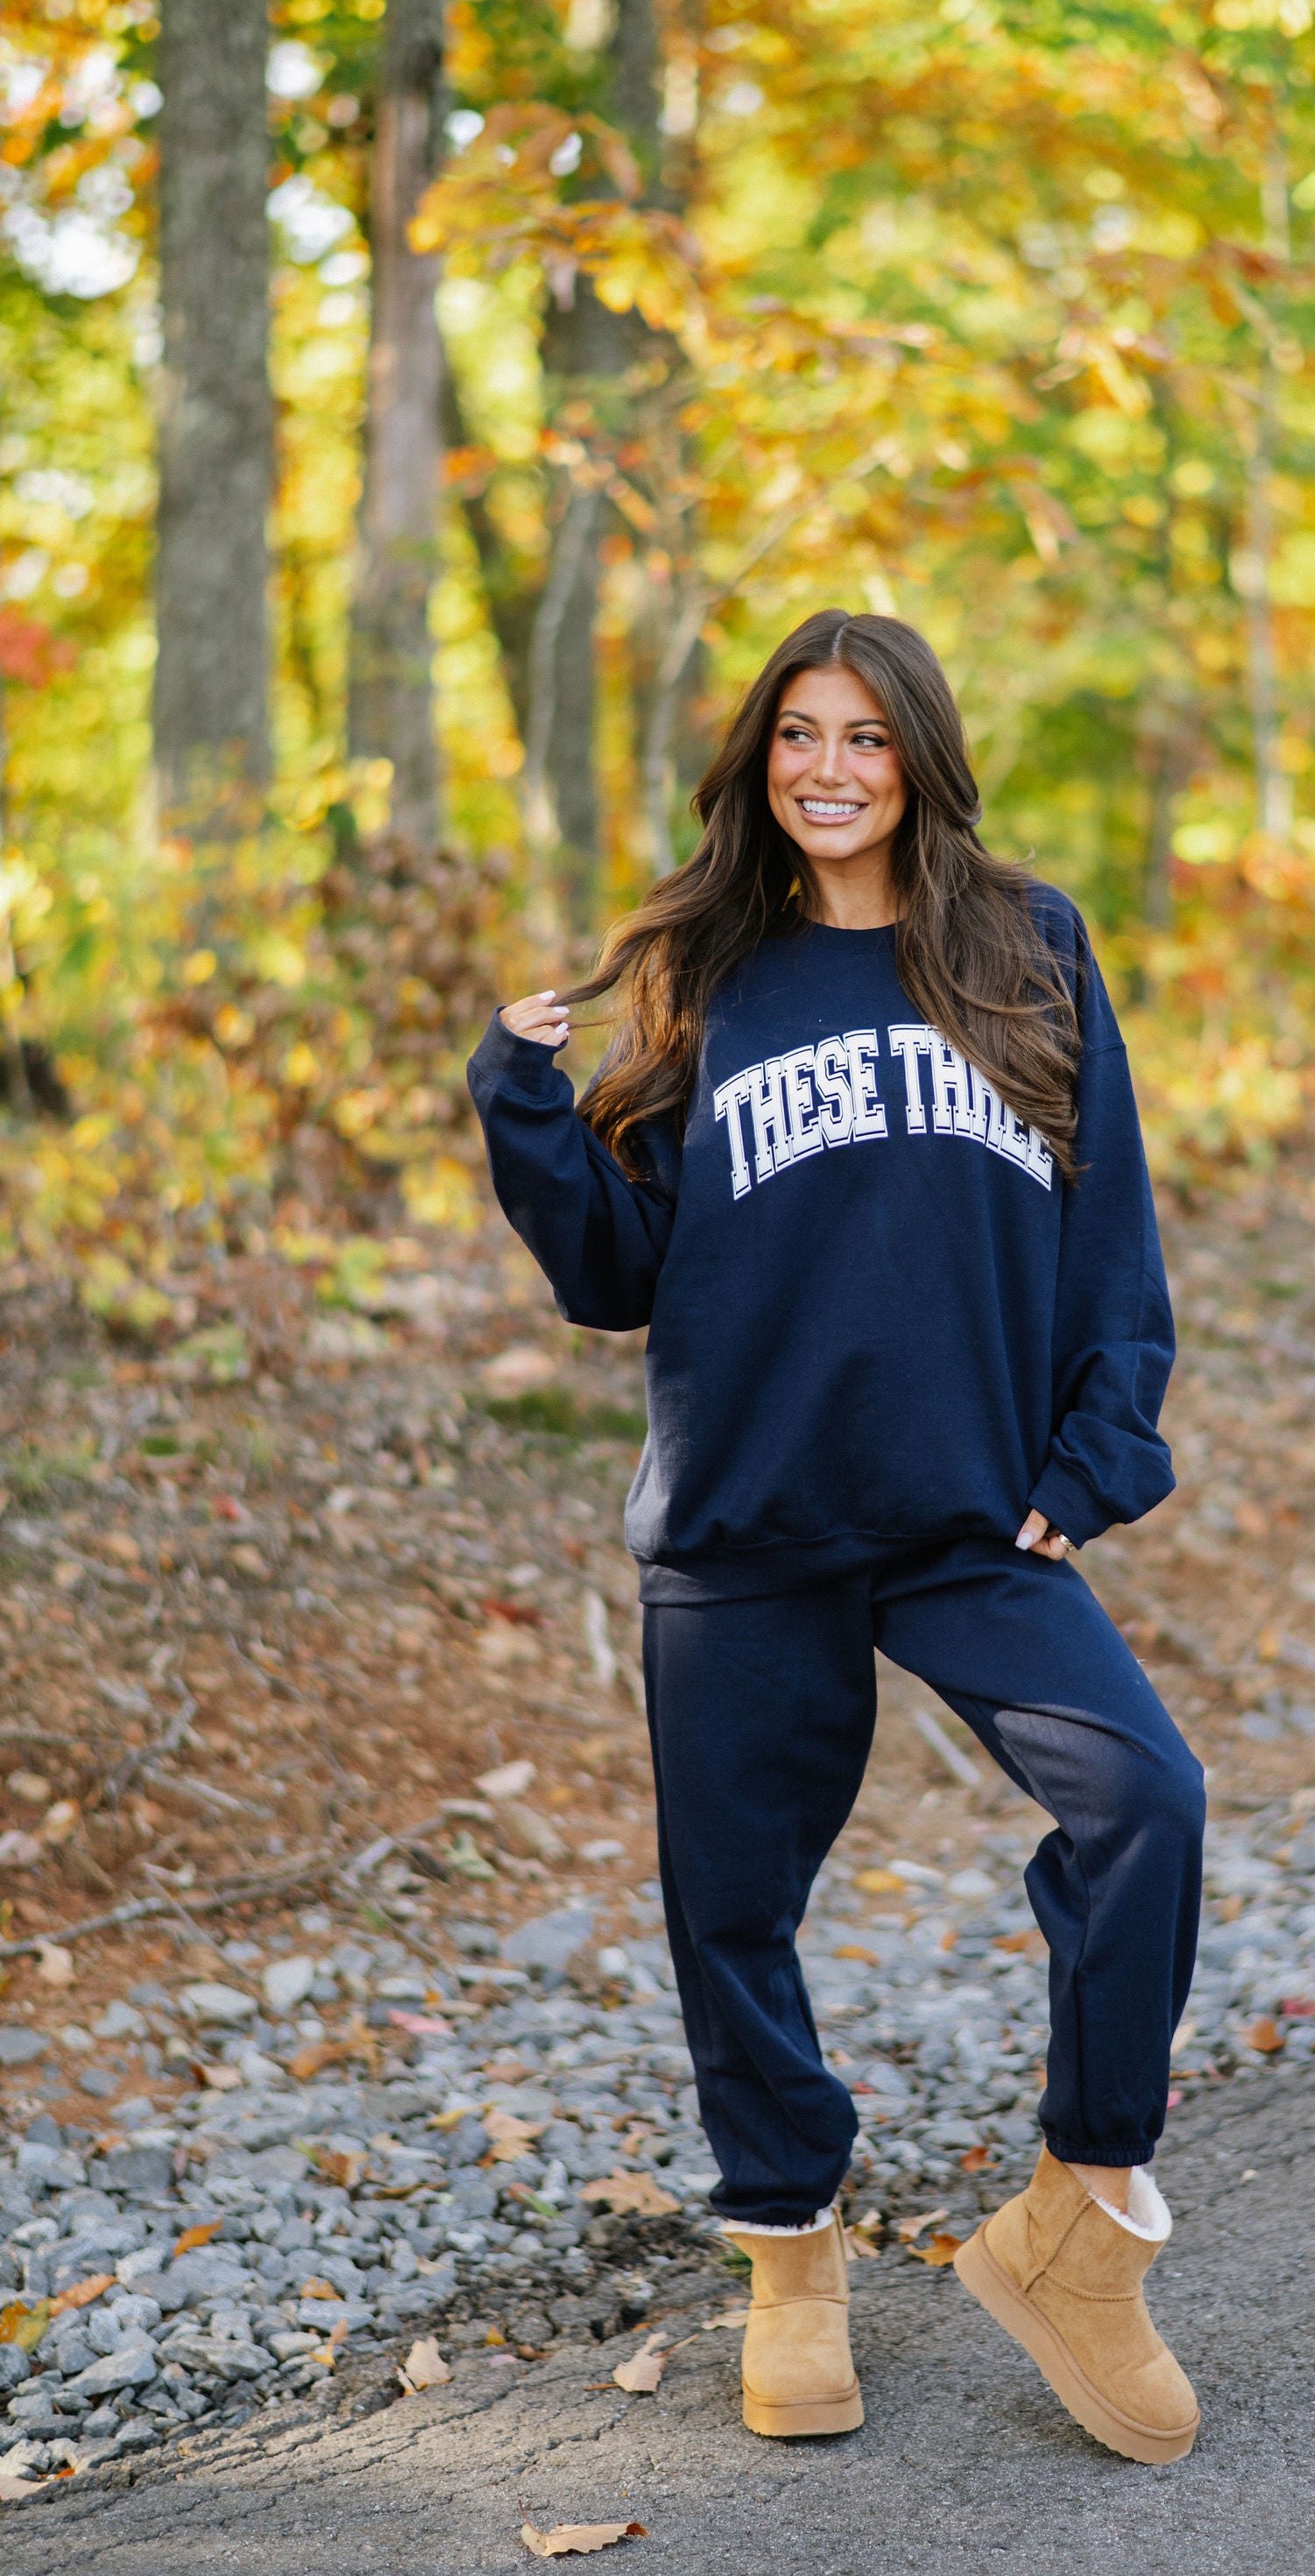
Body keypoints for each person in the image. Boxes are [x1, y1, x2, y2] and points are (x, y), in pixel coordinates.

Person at [467, 610, 1205, 2467]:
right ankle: (790, 2260)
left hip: (971, 1512)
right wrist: (524, 1112)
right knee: (733, 1907)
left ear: (918, 759)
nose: (827, 768)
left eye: (865, 738)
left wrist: (1101, 1441)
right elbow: (624, 1275)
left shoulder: (1025, 946)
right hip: (748, 1522)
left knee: (1145, 1803)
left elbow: (1105, 1212)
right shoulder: (708, 968)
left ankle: (1080, 2224)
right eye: (797, 734)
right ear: (757, 758)